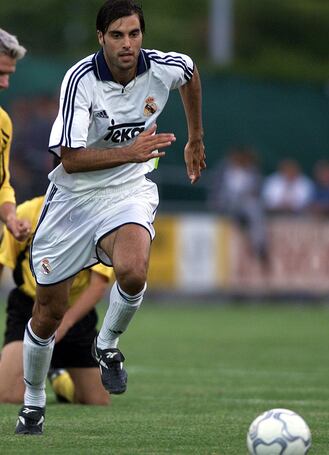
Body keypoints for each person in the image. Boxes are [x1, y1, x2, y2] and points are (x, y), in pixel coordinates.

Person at [15, 0, 205, 435]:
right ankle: (33, 399)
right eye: (117, 35)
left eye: (134, 34)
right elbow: (68, 157)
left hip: (128, 190)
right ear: (100, 37)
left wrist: (196, 137)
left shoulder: (162, 68)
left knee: (134, 270)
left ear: (143, 36)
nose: (127, 44)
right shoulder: (80, 79)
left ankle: (108, 344)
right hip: (72, 200)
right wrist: (130, 151)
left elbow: (191, 74)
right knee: (48, 312)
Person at [0, 195, 113, 406]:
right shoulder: (28, 212)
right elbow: (2, 261)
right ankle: (16, 363)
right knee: (8, 396)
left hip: (74, 313)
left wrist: (66, 324)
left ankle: (58, 377)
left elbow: (98, 284)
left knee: (97, 401)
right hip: (30, 307)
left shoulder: (99, 218)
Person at [209, 147, 268, 264]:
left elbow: (257, 191)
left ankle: (259, 245)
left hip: (245, 203)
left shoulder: (252, 171)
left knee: (254, 209)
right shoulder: (223, 170)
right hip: (227, 202)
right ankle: (240, 221)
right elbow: (216, 189)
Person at [0, 28, 31, 240]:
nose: (5, 83)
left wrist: (11, 218)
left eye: (8, 75)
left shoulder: (3, 123)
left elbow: (2, 183)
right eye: (0, 73)